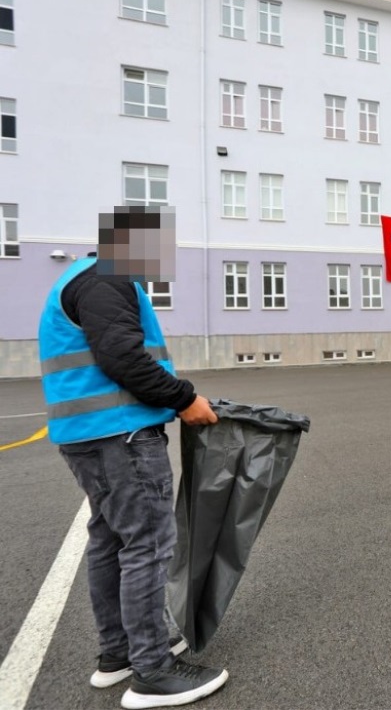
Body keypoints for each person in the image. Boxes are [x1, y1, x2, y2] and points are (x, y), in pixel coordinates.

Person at [38, 207, 229, 708]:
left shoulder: (84, 278)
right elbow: (121, 356)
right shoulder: (108, 279)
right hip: (119, 436)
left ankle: (118, 653)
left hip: (88, 435)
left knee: (110, 540)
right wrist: (184, 399)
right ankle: (154, 671)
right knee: (146, 543)